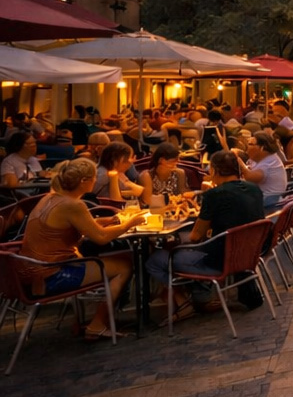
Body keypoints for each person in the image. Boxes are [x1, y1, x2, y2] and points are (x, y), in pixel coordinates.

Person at [19, 159, 137, 338]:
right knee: (124, 265)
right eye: (94, 178)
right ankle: (97, 324)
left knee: (120, 259)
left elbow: (71, 227)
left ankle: (100, 320)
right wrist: (130, 223)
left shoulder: (50, 198)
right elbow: (101, 238)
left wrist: (105, 221)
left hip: (30, 272)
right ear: (83, 181)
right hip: (50, 276)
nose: (95, 180)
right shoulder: (73, 205)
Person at [145, 150, 265, 321]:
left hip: (220, 261)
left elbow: (196, 237)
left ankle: (183, 302)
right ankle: (199, 296)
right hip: (250, 253)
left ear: (214, 170)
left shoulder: (214, 195)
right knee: (181, 246)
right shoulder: (254, 189)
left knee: (155, 260)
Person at [239, 132, 287, 210]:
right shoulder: (266, 159)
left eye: (250, 144)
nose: (247, 146)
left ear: (262, 147)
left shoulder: (268, 162)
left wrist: (239, 162)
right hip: (268, 201)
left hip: (268, 205)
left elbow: (250, 178)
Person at [140, 142, 189, 206]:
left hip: (175, 210)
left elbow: (185, 195)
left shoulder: (179, 173)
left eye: (178, 160)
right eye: (173, 161)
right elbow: (147, 201)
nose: (176, 163)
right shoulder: (147, 176)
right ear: (161, 160)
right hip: (153, 213)